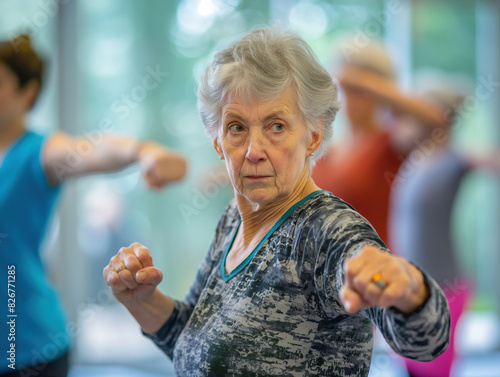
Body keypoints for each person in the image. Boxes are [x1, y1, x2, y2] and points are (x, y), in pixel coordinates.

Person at [103, 27, 450, 377]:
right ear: (217, 142)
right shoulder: (233, 221)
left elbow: (426, 342)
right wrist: (142, 300)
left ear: (312, 137)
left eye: (277, 126)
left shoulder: (326, 232)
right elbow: (195, 339)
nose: (254, 151)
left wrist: (410, 289)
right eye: (237, 128)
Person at [0, 35, 187, 377]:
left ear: (27, 92)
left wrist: (143, 151)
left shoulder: (37, 153)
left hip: (25, 345)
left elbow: (91, 148)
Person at [387, 80, 500, 377]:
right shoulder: (413, 160)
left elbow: (487, 159)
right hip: (409, 290)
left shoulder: (453, 160)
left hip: (442, 289)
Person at [312, 43, 408, 246]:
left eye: (360, 90)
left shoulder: (391, 143)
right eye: (348, 88)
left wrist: (365, 81)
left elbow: (436, 119)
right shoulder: (327, 150)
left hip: (374, 269)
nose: (353, 97)